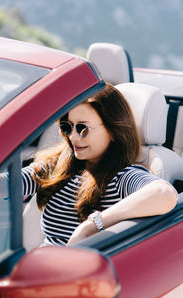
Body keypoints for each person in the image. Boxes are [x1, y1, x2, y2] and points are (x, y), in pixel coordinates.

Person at [21, 83, 177, 246]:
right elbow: (7, 183)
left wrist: (91, 226)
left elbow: (164, 193)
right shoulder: (57, 166)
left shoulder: (122, 178)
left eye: (83, 129)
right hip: (39, 266)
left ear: (112, 130)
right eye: (68, 127)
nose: (73, 137)